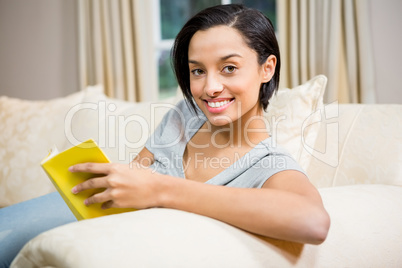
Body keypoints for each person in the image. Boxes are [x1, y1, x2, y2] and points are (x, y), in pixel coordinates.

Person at [0, 4, 330, 267]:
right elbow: (138, 175)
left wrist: (161, 190)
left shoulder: (269, 163)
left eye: (229, 68)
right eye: (198, 70)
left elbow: (313, 223)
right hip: (88, 229)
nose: (210, 87)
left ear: (266, 68)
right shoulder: (186, 116)